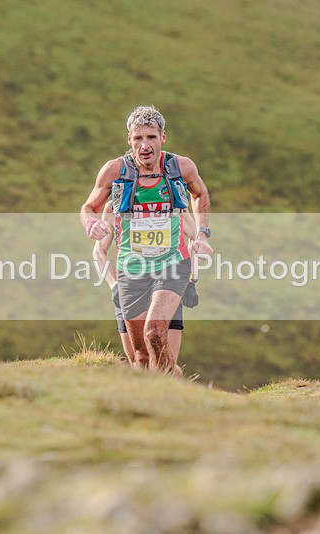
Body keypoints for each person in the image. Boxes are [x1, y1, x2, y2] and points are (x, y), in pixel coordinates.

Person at [81, 105, 213, 375]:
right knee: (141, 358)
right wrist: (91, 224)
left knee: (154, 331)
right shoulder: (114, 171)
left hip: (172, 264)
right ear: (128, 139)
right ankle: (173, 383)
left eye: (151, 137)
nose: (145, 145)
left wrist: (202, 234)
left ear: (162, 138)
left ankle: (169, 386)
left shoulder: (180, 167)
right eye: (138, 138)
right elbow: (88, 207)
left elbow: (200, 195)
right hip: (132, 269)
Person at [93, 201, 196, 377]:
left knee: (165, 363)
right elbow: (99, 251)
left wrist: (191, 280)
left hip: (166, 283)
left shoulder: (172, 201)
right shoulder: (114, 206)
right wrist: (114, 285)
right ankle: (150, 401)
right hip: (130, 286)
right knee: (140, 362)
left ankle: (173, 399)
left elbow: (195, 236)